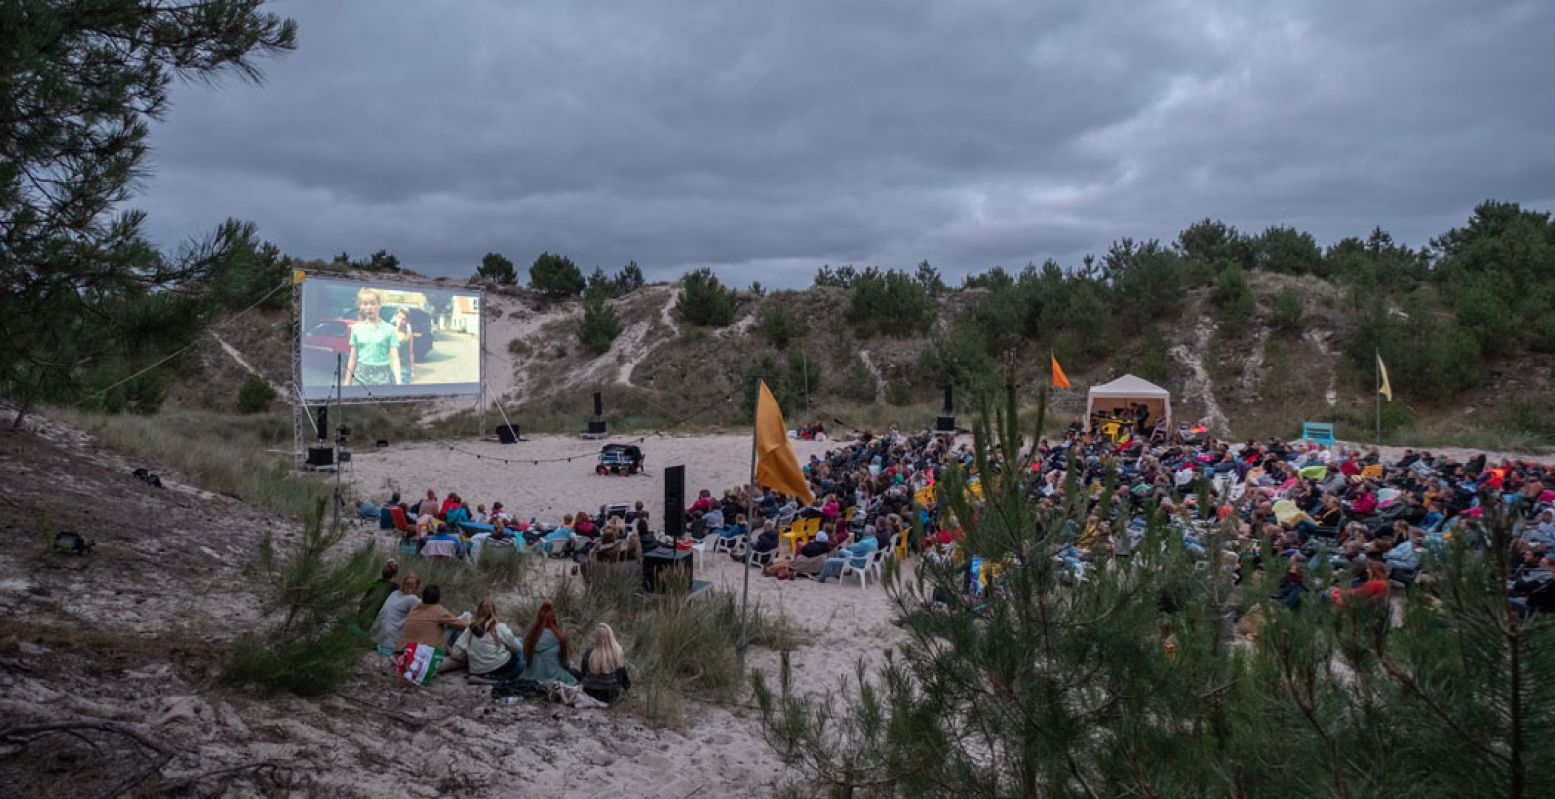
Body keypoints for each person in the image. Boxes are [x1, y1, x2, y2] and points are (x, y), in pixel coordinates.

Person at [453, 598, 525, 682]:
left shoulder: (469, 630)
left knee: (516, 642)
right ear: (494, 613)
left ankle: (489, 677)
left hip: (477, 671)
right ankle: (501, 679)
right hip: (501, 668)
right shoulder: (500, 627)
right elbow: (518, 648)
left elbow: (456, 652)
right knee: (520, 653)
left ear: (478, 612)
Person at [344, 287, 402, 387]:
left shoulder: (390, 329)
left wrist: (399, 382)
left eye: (373, 303)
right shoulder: (356, 328)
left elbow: (395, 359)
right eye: (365, 304)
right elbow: (353, 358)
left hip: (383, 377)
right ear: (361, 306)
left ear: (379, 305)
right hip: (361, 377)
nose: (369, 307)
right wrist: (346, 383)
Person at [518, 602, 577, 685]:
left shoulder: (531, 637)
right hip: (554, 676)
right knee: (575, 673)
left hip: (530, 677)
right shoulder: (560, 637)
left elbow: (526, 658)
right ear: (554, 618)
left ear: (538, 617)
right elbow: (563, 661)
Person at [399, 584, 469, 652]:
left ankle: (454, 652)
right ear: (438, 599)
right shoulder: (437, 610)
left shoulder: (415, 608)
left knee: (449, 626)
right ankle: (458, 653)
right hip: (422, 651)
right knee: (454, 627)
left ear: (423, 596)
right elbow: (462, 624)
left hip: (404, 648)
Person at [579, 623, 631, 704]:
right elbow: (622, 675)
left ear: (596, 637)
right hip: (610, 694)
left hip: (590, 692)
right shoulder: (617, 652)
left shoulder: (589, 652)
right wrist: (626, 688)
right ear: (611, 635)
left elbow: (583, 673)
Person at [373, 572, 422, 653]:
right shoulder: (412, 599)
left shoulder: (394, 593)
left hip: (377, 634)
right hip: (389, 639)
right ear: (415, 587)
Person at [356, 560, 399, 631]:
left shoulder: (376, 584)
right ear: (395, 574)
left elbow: (364, 601)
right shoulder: (394, 589)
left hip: (364, 619)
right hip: (373, 623)